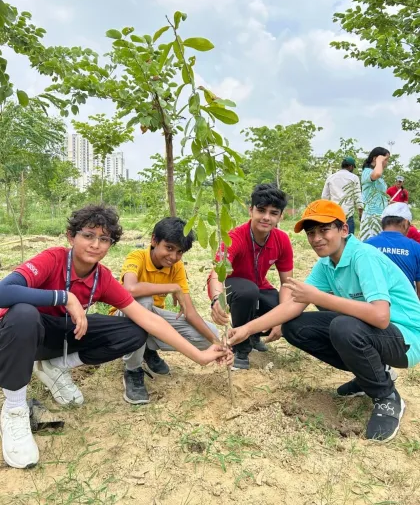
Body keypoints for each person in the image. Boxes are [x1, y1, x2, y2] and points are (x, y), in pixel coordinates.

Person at [0, 205, 231, 469]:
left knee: (133, 331)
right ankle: (15, 409)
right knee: (23, 314)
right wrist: (64, 297)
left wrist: (200, 355)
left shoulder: (102, 278)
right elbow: (3, 291)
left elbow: (149, 319)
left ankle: (56, 367)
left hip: (64, 336)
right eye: (88, 236)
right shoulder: (52, 259)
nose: (95, 244)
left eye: (104, 239)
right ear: (71, 236)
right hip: (26, 337)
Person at [229, 199, 420, 443]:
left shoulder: (364, 257)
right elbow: (293, 305)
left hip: (407, 337)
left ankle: (386, 398)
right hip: (375, 333)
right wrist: (246, 329)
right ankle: (371, 375)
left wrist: (319, 297)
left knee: (344, 326)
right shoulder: (327, 264)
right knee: (294, 326)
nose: (316, 238)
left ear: (343, 230)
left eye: (323, 230)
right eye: (311, 233)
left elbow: (381, 317)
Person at [111, 217, 220, 405]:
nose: (173, 257)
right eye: (169, 248)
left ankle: (148, 349)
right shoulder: (137, 257)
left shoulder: (176, 267)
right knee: (143, 301)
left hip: (153, 320)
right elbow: (129, 289)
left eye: (179, 252)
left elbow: (190, 313)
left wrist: (217, 342)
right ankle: (133, 370)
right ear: (154, 241)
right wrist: (172, 288)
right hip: (123, 320)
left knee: (210, 334)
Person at [208, 183, 293, 370]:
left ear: (280, 216)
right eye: (261, 210)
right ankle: (241, 348)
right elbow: (217, 273)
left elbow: (287, 283)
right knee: (247, 292)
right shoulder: (235, 237)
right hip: (231, 286)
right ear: (251, 210)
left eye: (273, 213)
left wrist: (280, 319)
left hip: (259, 286)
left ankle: (253, 334)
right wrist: (216, 299)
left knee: (287, 312)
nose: (266, 217)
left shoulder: (282, 240)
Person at [365, 203, 420, 297]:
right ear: (405, 223)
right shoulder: (416, 248)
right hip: (405, 308)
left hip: (373, 306)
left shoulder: (367, 245)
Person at [321, 156, 363, 234]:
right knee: (348, 239)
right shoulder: (354, 177)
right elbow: (358, 196)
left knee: (335, 238)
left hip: (334, 214)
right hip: (348, 214)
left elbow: (324, 197)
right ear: (351, 166)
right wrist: (361, 212)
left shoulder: (331, 177)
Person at [360, 147, 390, 241]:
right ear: (375, 158)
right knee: (370, 244)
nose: (387, 162)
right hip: (371, 216)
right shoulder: (367, 172)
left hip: (380, 215)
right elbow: (376, 174)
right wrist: (379, 161)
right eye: (386, 159)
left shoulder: (379, 176)